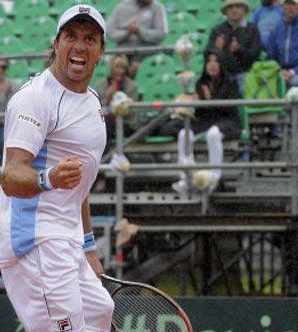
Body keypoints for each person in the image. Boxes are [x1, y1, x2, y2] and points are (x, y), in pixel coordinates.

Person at [0, 5, 114, 332]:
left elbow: (77, 187)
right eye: (72, 37)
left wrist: (88, 246)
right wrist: (47, 179)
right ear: (57, 44)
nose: (80, 46)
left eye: (90, 39)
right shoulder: (34, 99)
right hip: (35, 243)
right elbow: (12, 176)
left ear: (100, 50)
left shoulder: (93, 103)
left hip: (68, 246)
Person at [163, 50, 243, 194]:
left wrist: (209, 100)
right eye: (209, 61)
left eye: (216, 61)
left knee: (213, 134)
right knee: (183, 134)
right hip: (206, 121)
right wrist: (195, 102)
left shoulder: (231, 83)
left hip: (227, 121)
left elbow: (229, 109)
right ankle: (186, 178)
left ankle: (214, 177)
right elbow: (201, 113)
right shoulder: (201, 83)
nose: (212, 65)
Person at [205, 0, 262, 94]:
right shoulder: (217, 30)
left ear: (244, 10)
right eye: (231, 7)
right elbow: (209, 55)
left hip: (246, 74)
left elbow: (254, 56)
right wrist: (217, 49)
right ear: (226, 12)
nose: (234, 10)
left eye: (238, 7)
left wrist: (239, 50)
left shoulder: (253, 30)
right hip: (223, 75)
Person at [106, 0, 168, 77]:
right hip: (123, 53)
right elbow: (110, 33)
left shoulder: (157, 7)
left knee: (136, 67)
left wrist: (139, 31)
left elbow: (161, 34)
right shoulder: (121, 8)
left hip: (146, 54)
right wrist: (127, 33)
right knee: (116, 65)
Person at [94, 55, 139, 143]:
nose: (120, 71)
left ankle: (105, 155)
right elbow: (97, 109)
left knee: (105, 126)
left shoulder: (132, 87)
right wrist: (107, 99)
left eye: (122, 68)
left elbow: (130, 112)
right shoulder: (101, 86)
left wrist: (113, 101)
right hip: (104, 123)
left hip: (126, 123)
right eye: (116, 68)